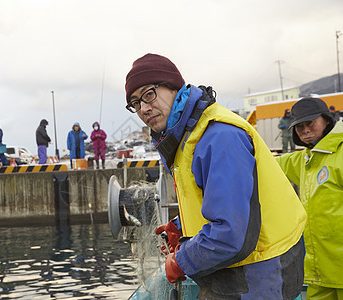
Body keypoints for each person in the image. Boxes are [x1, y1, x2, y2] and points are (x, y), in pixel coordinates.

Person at [125, 53, 307, 299]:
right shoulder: (189, 134)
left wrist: (180, 261)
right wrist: (182, 226)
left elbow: (230, 234)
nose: (144, 108)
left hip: (261, 272)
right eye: (135, 103)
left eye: (149, 94)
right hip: (245, 266)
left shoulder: (218, 137)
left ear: (173, 87)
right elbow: (223, 202)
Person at [276, 97, 343, 300]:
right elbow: (266, 163)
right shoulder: (303, 160)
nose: (305, 130)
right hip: (318, 273)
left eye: (310, 123)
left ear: (327, 121)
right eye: (299, 126)